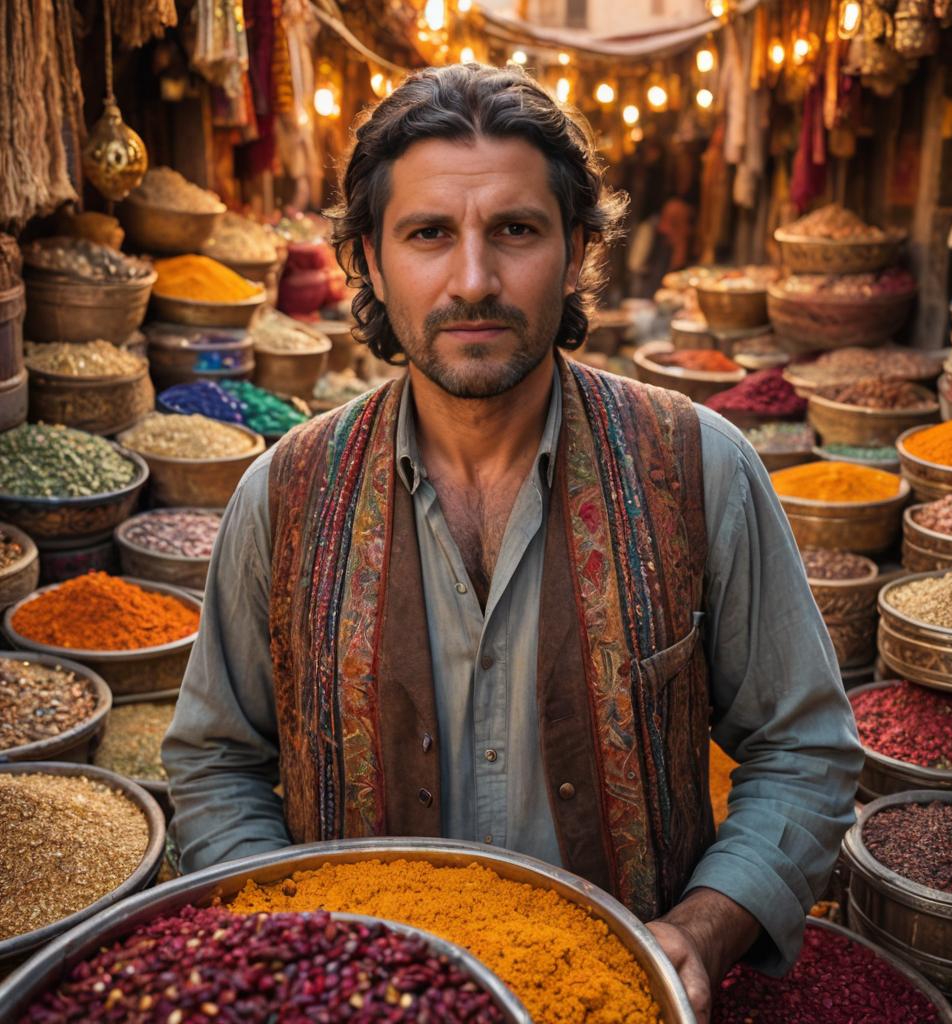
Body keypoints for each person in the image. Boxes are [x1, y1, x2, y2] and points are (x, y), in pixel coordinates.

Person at [164, 62, 862, 1022]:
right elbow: (216, 762)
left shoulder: (697, 468)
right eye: (428, 235)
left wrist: (701, 931)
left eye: (517, 231)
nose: (475, 279)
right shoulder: (282, 496)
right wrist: (296, 949)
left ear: (577, 250)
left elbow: (802, 747)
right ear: (369, 259)